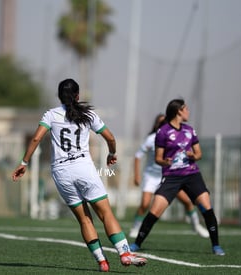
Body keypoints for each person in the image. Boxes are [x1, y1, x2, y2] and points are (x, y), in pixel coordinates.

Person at [12, 78, 147, 272]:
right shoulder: (88, 114)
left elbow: (36, 138)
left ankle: (102, 261)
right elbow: (110, 137)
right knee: (105, 213)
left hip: (61, 172)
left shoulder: (51, 115)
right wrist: (111, 153)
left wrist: (24, 162)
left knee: (84, 220)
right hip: (84, 169)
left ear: (59, 96)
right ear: (77, 95)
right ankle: (124, 253)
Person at [130, 99, 225, 256]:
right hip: (171, 177)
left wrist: (193, 155)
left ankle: (216, 245)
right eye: (186, 108)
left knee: (206, 206)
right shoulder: (162, 132)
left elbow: (199, 153)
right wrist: (164, 161)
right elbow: (158, 158)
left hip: (192, 175)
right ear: (178, 111)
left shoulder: (190, 130)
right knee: (154, 210)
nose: (188, 111)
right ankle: (137, 243)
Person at [129, 113, 209, 239]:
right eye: (162, 122)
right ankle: (135, 227)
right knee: (145, 204)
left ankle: (196, 225)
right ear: (157, 125)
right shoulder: (151, 139)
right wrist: (136, 176)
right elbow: (138, 156)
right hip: (151, 176)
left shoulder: (176, 137)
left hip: (169, 176)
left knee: (187, 201)